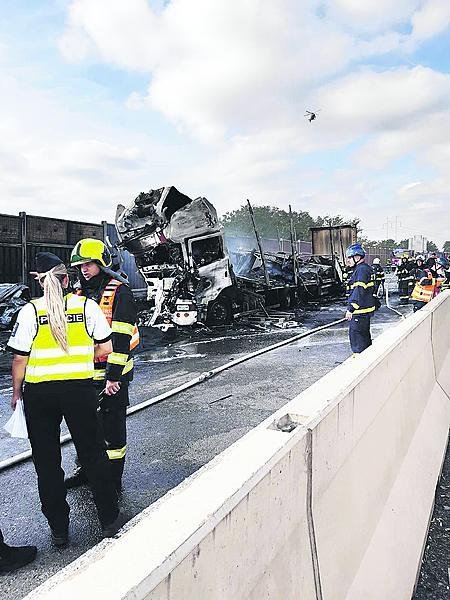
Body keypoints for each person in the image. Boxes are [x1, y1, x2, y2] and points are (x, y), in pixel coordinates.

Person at [6, 252, 123, 544]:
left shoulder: (30, 312)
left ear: (39, 281)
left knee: (47, 463)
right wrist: (83, 357)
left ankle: (59, 529)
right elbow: (105, 348)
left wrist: (17, 392)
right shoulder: (87, 307)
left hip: (39, 395)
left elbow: (19, 360)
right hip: (79, 392)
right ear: (66, 279)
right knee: (93, 455)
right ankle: (109, 519)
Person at [65, 239, 138, 493]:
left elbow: (121, 338)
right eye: (80, 266)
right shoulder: (78, 294)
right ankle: (86, 471)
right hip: (85, 376)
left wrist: (113, 377)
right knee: (86, 429)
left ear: (101, 263)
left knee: (113, 432)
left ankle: (113, 480)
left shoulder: (120, 291)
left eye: (88, 264)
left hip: (112, 376)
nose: (84, 270)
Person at [345, 244, 376, 354]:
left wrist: (351, 309)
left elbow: (359, 290)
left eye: (349, 257)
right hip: (364, 313)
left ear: (357, 257)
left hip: (359, 312)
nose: (348, 260)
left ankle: (359, 365)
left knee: (357, 341)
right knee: (365, 340)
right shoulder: (365, 268)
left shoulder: (361, 270)